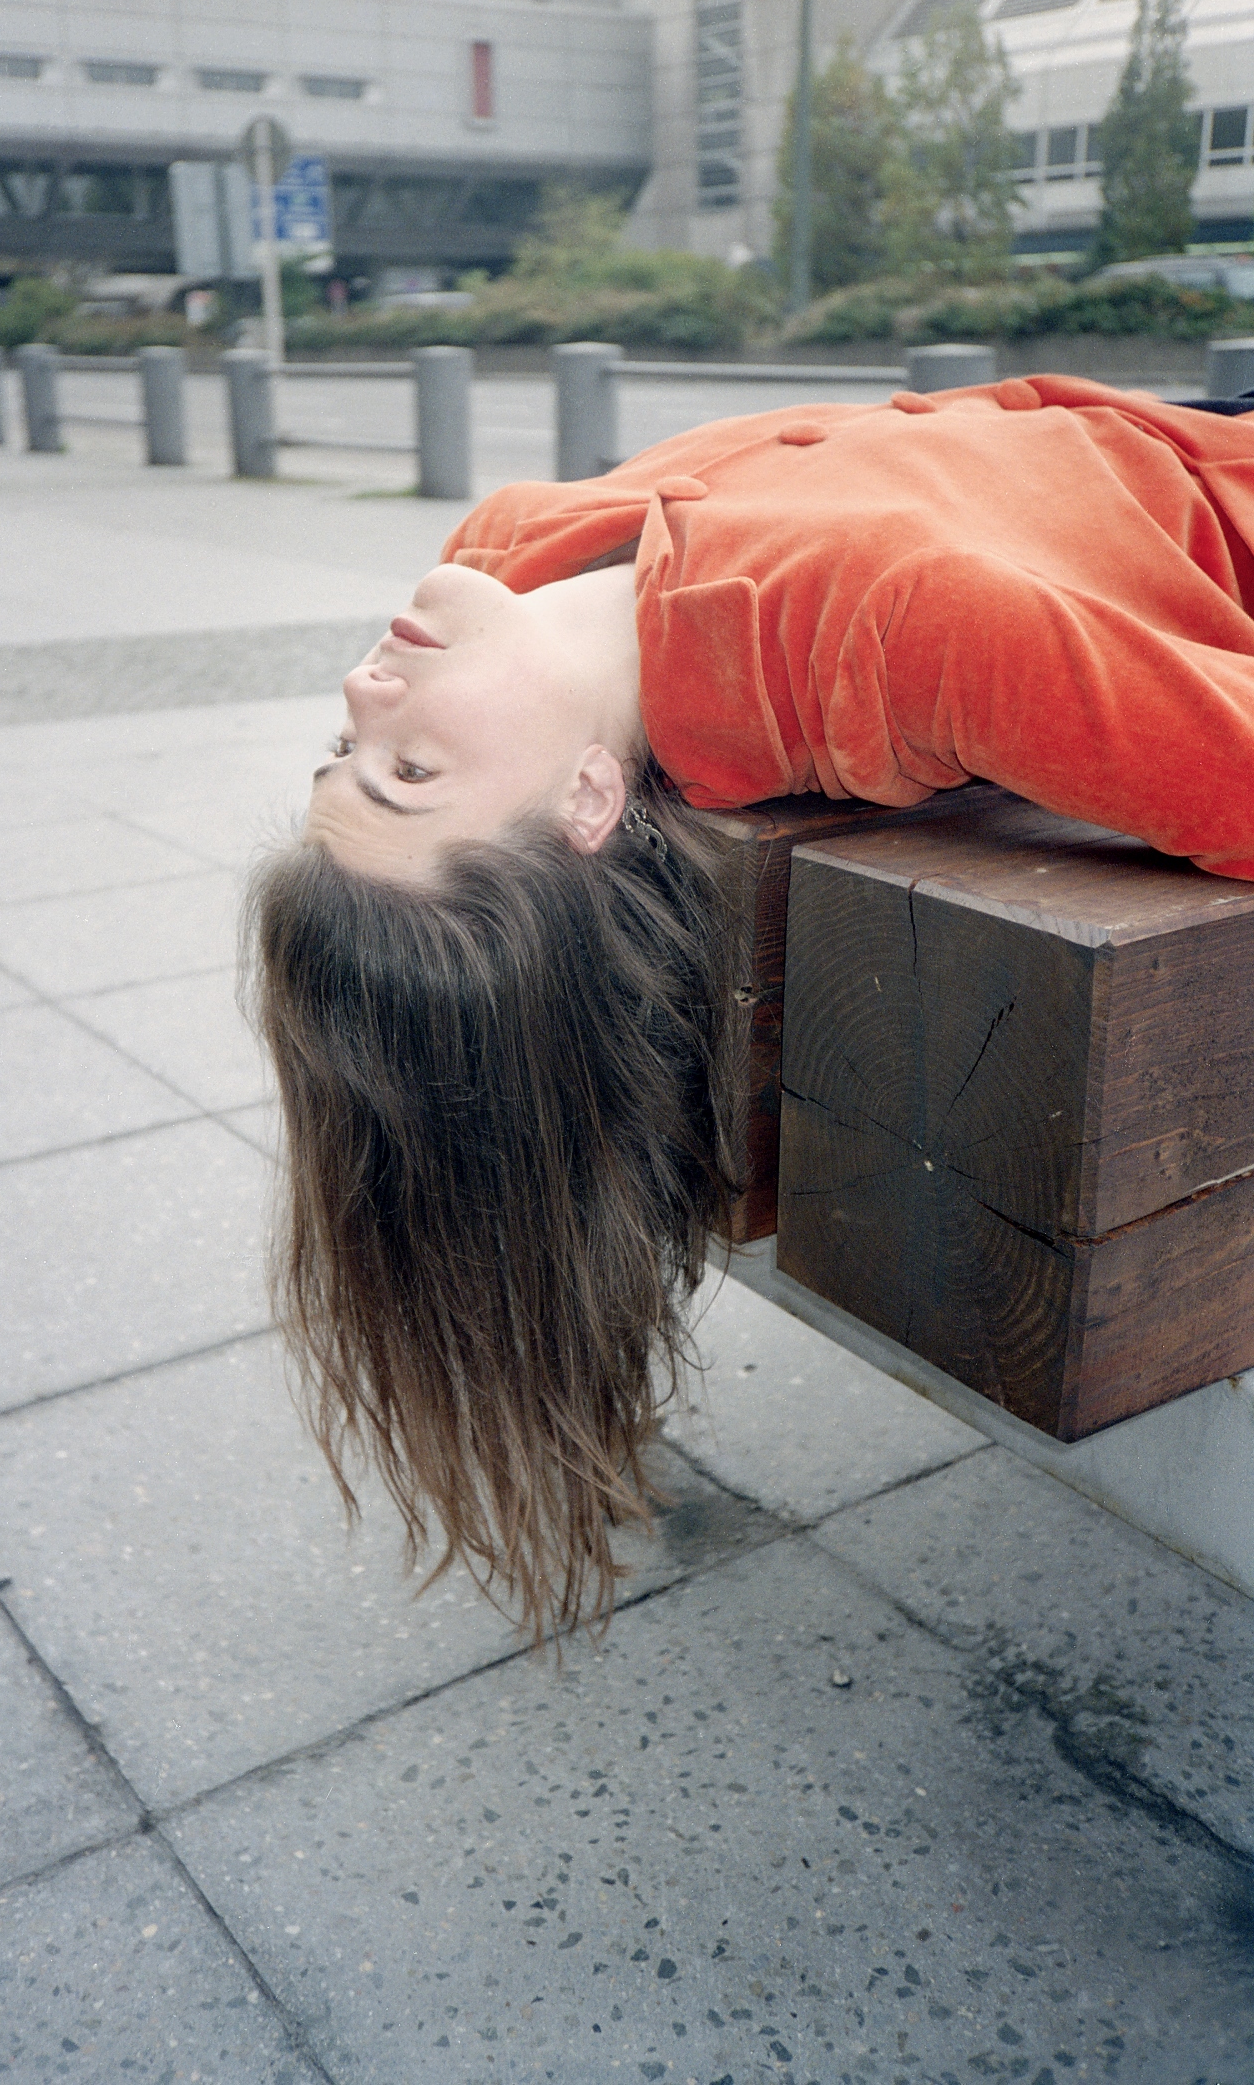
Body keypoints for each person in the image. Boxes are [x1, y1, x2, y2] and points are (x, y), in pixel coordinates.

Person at [243, 374, 1254, 1638]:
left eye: (340, 760)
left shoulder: (503, 553)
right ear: (586, 805)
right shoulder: (883, 635)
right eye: (408, 770)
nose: (359, 699)